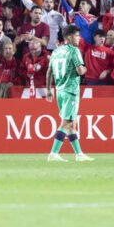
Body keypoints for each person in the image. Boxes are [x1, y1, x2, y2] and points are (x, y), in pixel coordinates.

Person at [45, 25, 93, 162]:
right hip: (70, 90)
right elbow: (79, 70)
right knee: (67, 123)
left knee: (72, 124)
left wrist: (49, 90)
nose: (79, 38)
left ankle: (79, 154)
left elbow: (49, 72)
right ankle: (53, 154)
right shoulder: (74, 51)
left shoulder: (56, 51)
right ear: (69, 37)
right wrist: (85, 69)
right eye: (77, 35)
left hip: (59, 91)